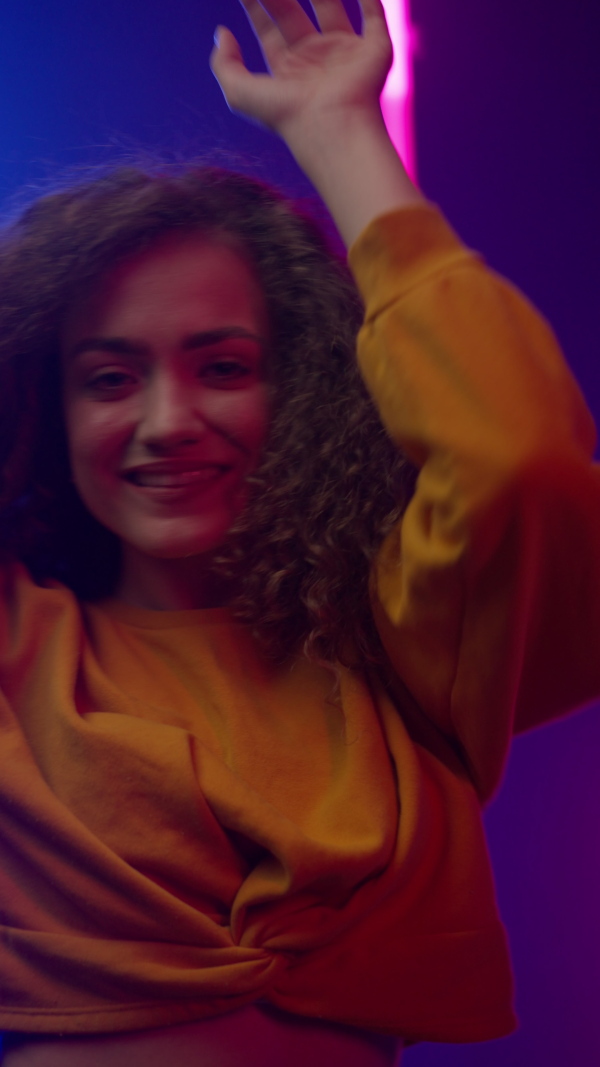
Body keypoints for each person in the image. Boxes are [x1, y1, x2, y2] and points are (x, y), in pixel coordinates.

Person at [1, 0, 599, 1064]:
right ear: (39, 409)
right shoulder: (18, 648)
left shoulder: (401, 653)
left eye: (224, 365)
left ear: (309, 392)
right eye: (108, 377)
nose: (168, 419)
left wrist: (339, 133)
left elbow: (521, 459)